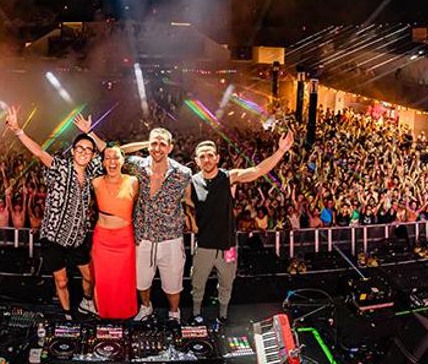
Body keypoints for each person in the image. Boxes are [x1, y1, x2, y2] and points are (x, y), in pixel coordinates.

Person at [5, 106, 101, 318]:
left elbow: (111, 153)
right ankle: (67, 315)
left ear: (92, 155)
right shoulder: (61, 168)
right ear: (73, 151)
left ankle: (87, 302)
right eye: (80, 148)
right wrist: (18, 131)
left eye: (88, 150)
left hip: (77, 238)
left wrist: (89, 132)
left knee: (90, 277)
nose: (84, 152)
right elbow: (40, 153)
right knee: (62, 281)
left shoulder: (93, 173)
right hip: (54, 238)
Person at [189, 131, 294, 323]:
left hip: (228, 246)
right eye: (202, 156)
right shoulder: (191, 182)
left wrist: (280, 151)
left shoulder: (229, 177)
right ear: (197, 160)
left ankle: (223, 315)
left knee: (226, 283)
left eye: (210, 155)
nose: (206, 159)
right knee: (197, 284)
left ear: (217, 158)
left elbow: (257, 170)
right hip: (204, 245)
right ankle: (196, 314)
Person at [123, 128, 193, 322]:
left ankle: (174, 313)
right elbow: (118, 152)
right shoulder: (137, 165)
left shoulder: (183, 173)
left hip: (171, 239)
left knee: (173, 284)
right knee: (141, 281)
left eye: (162, 144)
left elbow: (189, 201)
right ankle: (146, 307)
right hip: (143, 237)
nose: (157, 148)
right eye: (154, 143)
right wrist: (144, 144)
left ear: (170, 147)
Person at [90, 146, 139, 319]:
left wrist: (148, 143)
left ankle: (125, 317)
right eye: (108, 158)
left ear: (123, 160)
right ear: (102, 162)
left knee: (124, 280)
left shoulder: (132, 181)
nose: (112, 161)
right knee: (102, 280)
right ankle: (103, 317)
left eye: (116, 157)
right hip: (102, 239)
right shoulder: (96, 182)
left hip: (124, 239)